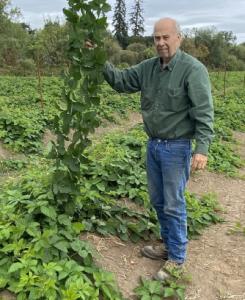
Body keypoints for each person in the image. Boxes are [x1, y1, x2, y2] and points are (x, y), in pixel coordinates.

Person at [102, 17, 214, 280]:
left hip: (177, 147)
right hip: (154, 145)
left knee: (173, 204)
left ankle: (177, 258)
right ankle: (167, 244)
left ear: (178, 38)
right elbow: (120, 81)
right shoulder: (148, 68)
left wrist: (202, 147)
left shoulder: (192, 70)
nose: (161, 43)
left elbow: (204, 111)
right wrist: (98, 59)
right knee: (159, 201)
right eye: (156, 38)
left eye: (166, 37)